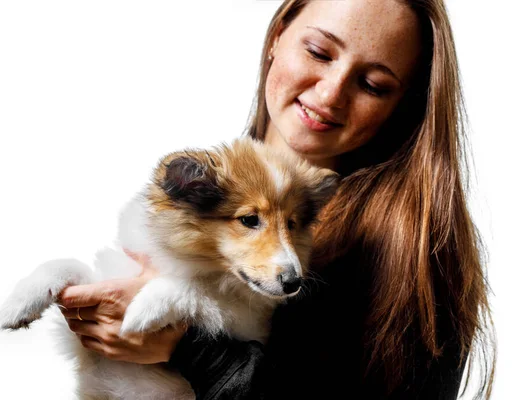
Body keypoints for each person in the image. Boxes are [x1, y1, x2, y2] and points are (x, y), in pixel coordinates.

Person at [57, 0, 496, 398]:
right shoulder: (206, 190)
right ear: (277, 37)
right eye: (319, 52)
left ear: (401, 104)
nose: (329, 95)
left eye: (374, 84)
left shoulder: (419, 248)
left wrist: (189, 348)